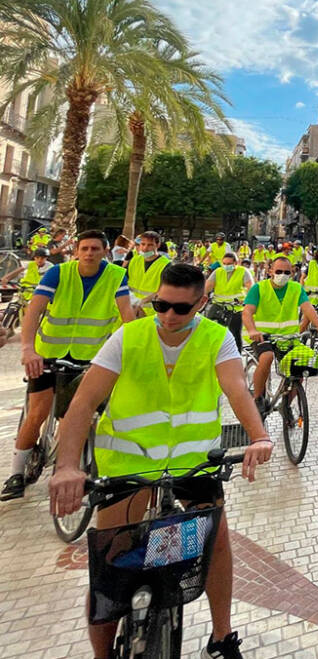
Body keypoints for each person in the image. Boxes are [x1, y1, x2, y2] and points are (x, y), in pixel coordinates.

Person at [48, 262, 272, 659]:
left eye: (181, 309)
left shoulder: (217, 339)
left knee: (216, 542)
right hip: (128, 465)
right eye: (162, 305)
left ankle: (222, 638)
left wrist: (259, 436)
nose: (169, 316)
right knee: (111, 564)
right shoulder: (127, 337)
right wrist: (67, 466)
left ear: (201, 303)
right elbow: (83, 403)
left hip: (193, 463)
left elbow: (237, 390)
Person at [2, 231, 136, 501]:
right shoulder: (58, 273)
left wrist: (130, 352)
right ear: (76, 250)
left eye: (95, 249)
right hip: (47, 355)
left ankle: (69, 468)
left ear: (105, 252)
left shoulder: (115, 276)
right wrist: (28, 349)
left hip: (90, 359)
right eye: (84, 248)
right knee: (37, 413)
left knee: (75, 416)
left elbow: (127, 319)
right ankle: (16, 473)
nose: (89, 253)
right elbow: (35, 311)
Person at [240, 256, 318, 411]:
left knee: (300, 367)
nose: (283, 275)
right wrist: (252, 330)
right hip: (263, 336)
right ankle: (258, 397)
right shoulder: (258, 288)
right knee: (266, 357)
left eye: (287, 272)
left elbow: (307, 308)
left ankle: (285, 406)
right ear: (270, 271)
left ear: (292, 273)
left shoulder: (296, 288)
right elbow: (247, 312)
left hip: (288, 338)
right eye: (279, 271)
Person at [205, 252, 253, 350]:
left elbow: (251, 288)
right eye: (224, 264)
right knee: (209, 329)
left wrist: (247, 301)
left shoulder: (243, 272)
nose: (226, 266)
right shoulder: (218, 271)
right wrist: (203, 296)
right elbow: (207, 286)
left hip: (236, 307)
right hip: (218, 304)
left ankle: (237, 356)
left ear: (236, 263)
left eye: (229, 264)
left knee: (235, 333)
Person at [125, 231, 171, 316]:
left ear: (157, 245)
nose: (145, 248)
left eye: (150, 245)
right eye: (143, 244)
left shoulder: (166, 265)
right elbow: (124, 283)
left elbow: (165, 290)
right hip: (131, 309)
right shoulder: (134, 260)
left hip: (151, 313)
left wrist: (140, 303)